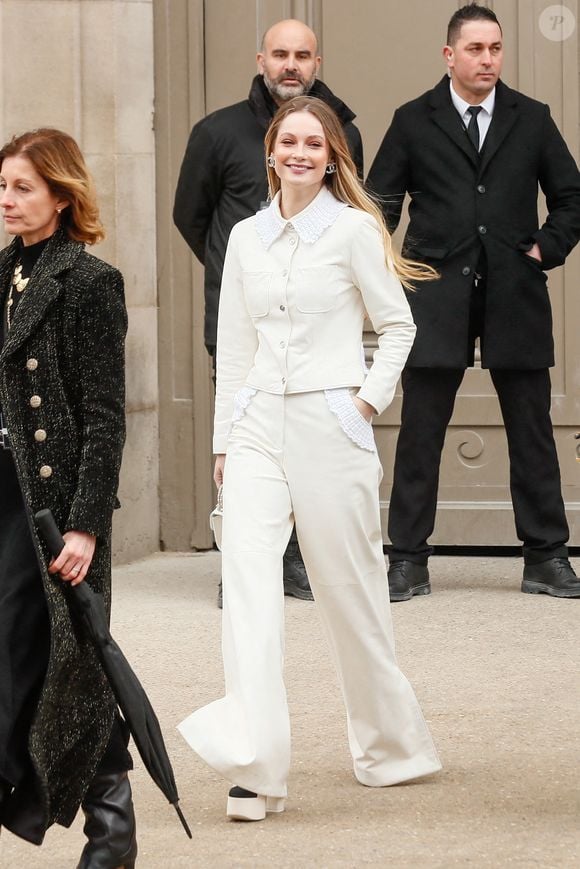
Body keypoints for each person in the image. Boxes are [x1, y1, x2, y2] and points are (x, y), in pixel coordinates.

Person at [178, 96, 441, 822]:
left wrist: (362, 405)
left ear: (332, 157)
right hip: (258, 423)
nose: (299, 152)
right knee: (249, 594)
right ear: (271, 150)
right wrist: (224, 443)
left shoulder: (355, 230)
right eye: (288, 140)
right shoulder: (246, 238)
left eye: (313, 143)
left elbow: (397, 326)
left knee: (351, 589)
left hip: (333, 422)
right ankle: (257, 770)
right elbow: (233, 345)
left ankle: (392, 746)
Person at [367, 2, 580, 601]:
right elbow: (379, 203)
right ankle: (407, 560)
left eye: (495, 49)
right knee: (421, 432)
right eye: (476, 49)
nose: (487, 60)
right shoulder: (414, 120)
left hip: (515, 292)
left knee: (532, 432)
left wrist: (545, 248)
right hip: (436, 296)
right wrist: (387, 270)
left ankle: (547, 558)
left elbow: (571, 197)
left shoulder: (531, 118)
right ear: (450, 54)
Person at [174, 18, 364, 607]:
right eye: (280, 54)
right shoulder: (216, 131)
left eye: (301, 55)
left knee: (306, 449)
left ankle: (299, 563)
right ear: (261, 59)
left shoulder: (343, 133)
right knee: (244, 445)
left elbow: (357, 216)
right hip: (242, 324)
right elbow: (191, 218)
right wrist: (246, 276)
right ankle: (244, 563)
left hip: (317, 332)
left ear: (317, 61)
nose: (290, 65)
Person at [0, 129, 136, 867]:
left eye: (22, 187)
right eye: (2, 187)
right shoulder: (1, 275)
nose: (8, 200)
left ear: (61, 192)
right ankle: (112, 828)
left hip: (50, 511)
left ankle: (112, 826)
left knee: (63, 658)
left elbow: (106, 416)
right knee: (33, 659)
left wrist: (83, 526)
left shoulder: (88, 281)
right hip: (2, 494)